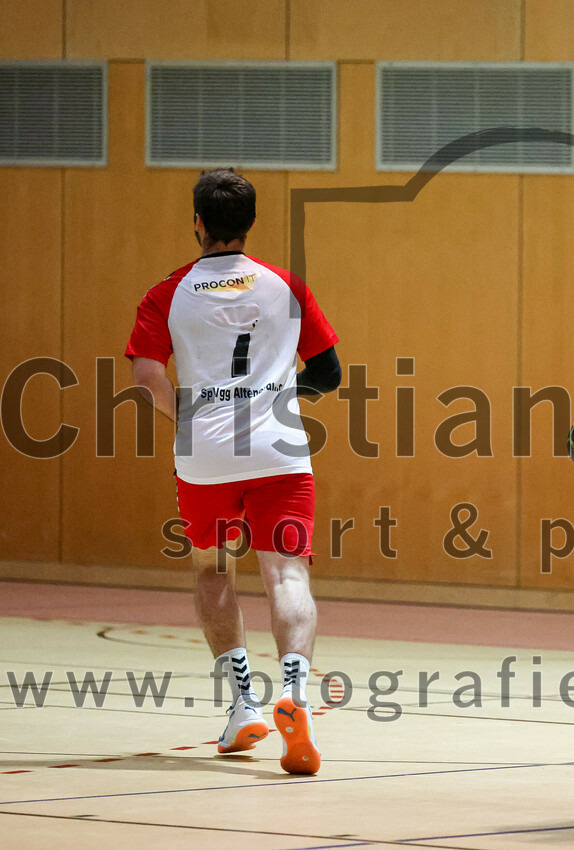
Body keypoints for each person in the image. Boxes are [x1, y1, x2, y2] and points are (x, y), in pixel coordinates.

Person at [125, 168, 341, 775]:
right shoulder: (285, 285)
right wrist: (275, 396)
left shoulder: (165, 292)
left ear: (198, 223)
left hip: (205, 454)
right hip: (281, 449)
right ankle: (295, 694)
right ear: (248, 223)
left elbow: (147, 379)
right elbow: (328, 373)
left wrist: (189, 418)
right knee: (287, 575)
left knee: (214, 571)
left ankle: (243, 703)